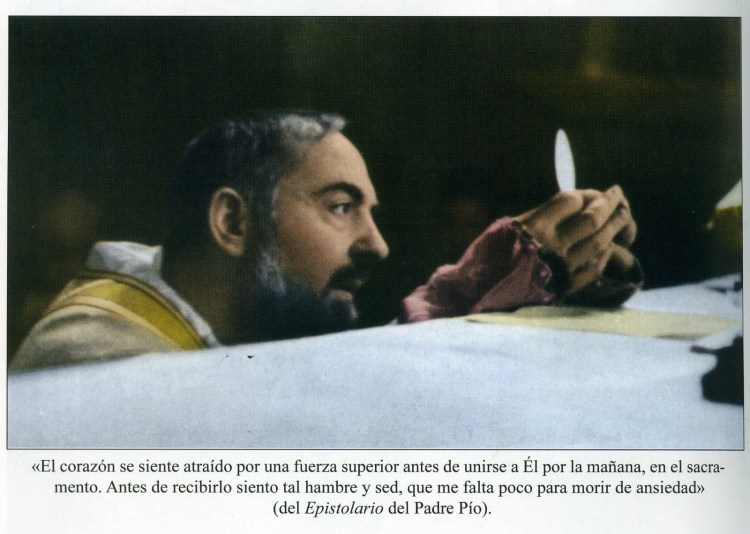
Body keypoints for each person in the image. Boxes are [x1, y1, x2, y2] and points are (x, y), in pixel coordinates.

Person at [10, 112, 642, 371]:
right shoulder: (99, 358)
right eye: (341, 207)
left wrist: (528, 278)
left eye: (370, 212)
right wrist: (487, 278)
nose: (378, 245)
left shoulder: (216, 316)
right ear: (232, 224)